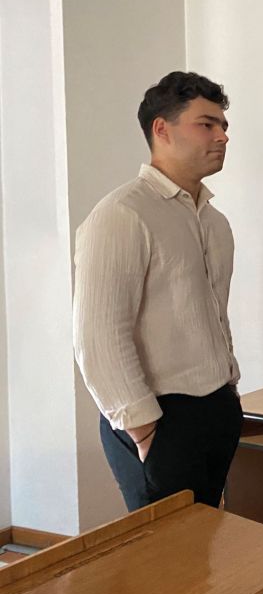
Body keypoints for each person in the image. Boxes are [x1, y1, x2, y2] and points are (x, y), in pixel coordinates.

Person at [74, 71, 242, 511]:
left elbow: (212, 319)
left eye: (223, 125)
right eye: (207, 124)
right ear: (161, 129)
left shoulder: (214, 222)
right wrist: (145, 431)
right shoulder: (122, 215)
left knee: (205, 542)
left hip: (215, 406)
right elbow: (99, 337)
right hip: (158, 418)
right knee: (165, 550)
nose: (222, 136)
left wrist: (227, 394)